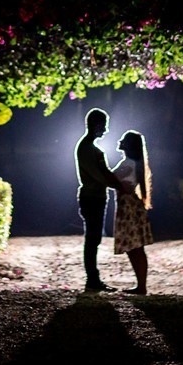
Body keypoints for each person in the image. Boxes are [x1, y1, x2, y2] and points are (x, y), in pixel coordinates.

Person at [74, 107, 125, 292]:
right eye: (103, 125)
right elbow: (101, 175)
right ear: (95, 125)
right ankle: (92, 280)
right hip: (92, 197)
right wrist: (122, 186)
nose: (105, 130)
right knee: (93, 238)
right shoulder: (89, 149)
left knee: (93, 238)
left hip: (95, 197)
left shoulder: (88, 147)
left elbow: (104, 175)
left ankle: (93, 279)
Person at [111, 130, 154, 295]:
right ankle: (141, 284)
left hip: (127, 206)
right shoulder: (132, 163)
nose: (119, 141)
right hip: (132, 205)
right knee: (136, 247)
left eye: (123, 140)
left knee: (134, 247)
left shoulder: (128, 163)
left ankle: (141, 285)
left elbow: (112, 179)